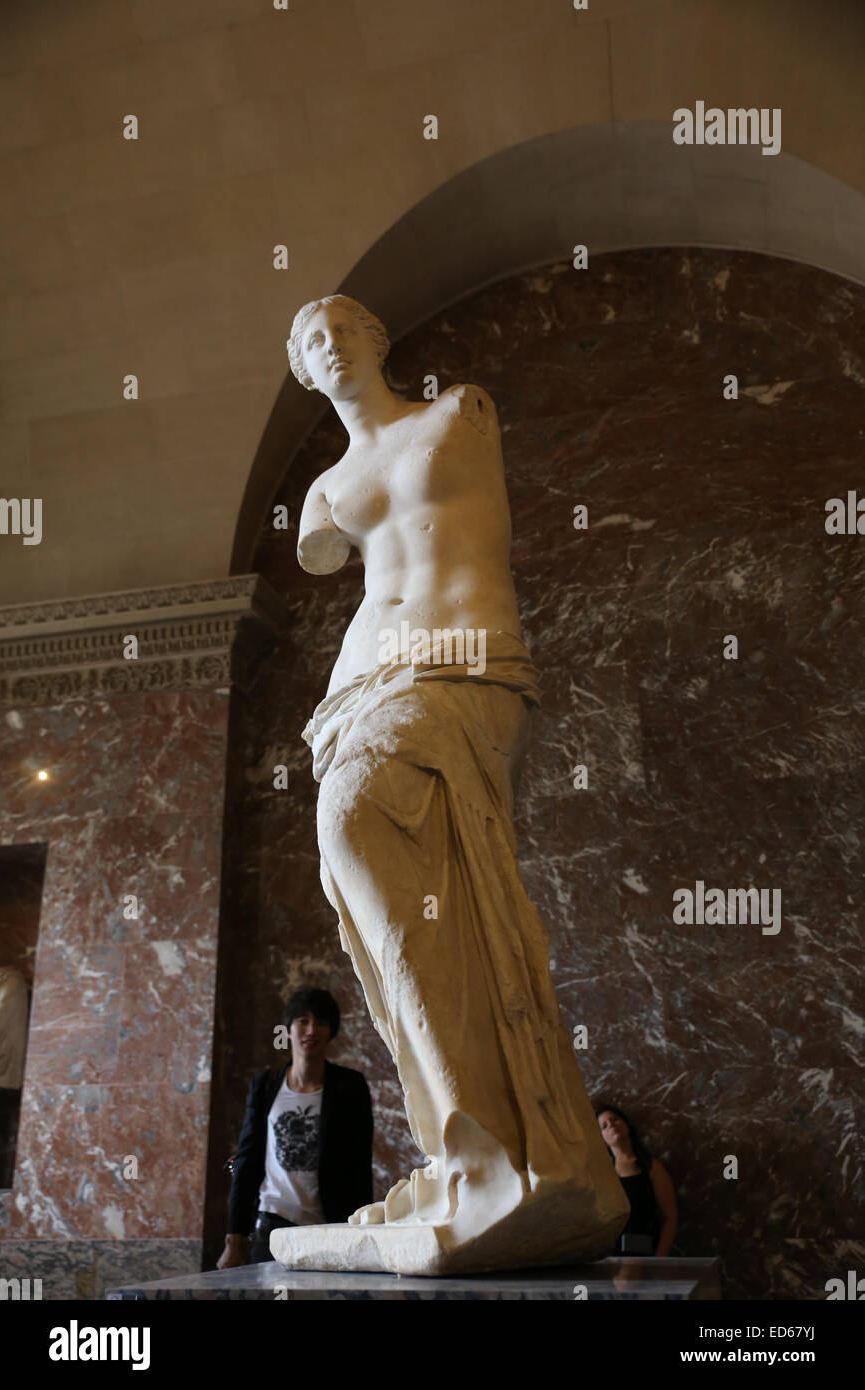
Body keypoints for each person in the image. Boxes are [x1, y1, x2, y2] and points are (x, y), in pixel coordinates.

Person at [283, 294, 630, 1273]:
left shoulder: (456, 415)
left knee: (354, 823)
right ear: (305, 371)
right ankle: (483, 1151)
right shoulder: (324, 491)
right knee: (385, 902)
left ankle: (497, 1152)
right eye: (312, 341)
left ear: (378, 339)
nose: (330, 341)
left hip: (462, 663)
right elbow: (320, 554)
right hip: (362, 685)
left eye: (345, 325)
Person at [217, 987, 373, 1268]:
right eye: (303, 1021)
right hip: (271, 1225)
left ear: (331, 1031)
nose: (311, 1030)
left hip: (329, 1227)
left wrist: (362, 1233)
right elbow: (247, 1161)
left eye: (321, 1023)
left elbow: (360, 1166)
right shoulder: (264, 1085)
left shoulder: (350, 1087)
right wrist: (234, 1241)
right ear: (288, 1029)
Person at [595, 1104, 678, 1257]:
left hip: (644, 1251)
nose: (611, 1126)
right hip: (611, 1256)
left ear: (627, 1124)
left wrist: (659, 1258)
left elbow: (670, 1216)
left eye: (615, 1120)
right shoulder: (603, 1173)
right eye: (604, 1126)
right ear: (601, 1137)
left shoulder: (651, 1166)